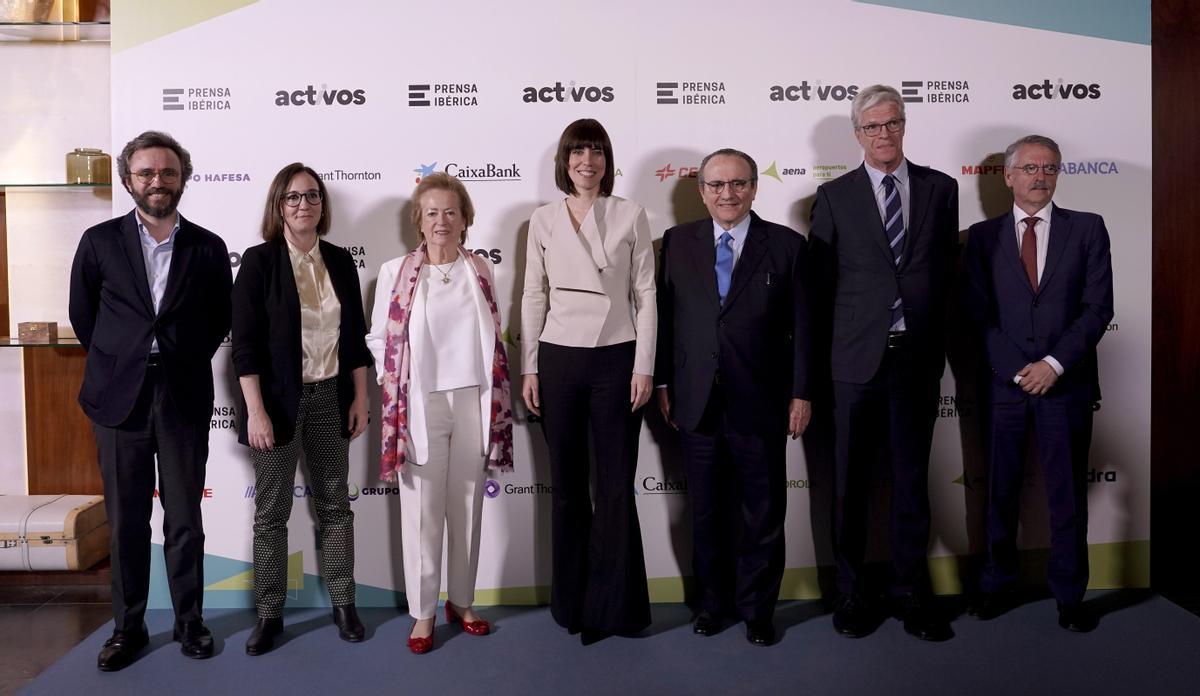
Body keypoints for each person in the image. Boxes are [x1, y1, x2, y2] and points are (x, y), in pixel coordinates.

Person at [68, 130, 232, 671]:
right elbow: (84, 317)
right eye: (146, 173)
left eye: (167, 172)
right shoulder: (98, 241)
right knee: (126, 520)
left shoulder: (207, 246)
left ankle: (190, 624)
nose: (157, 181)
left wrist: (175, 357)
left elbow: (217, 320)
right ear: (128, 179)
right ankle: (127, 628)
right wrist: (126, 360)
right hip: (119, 399)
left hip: (181, 393)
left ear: (182, 177)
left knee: (184, 519)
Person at [808, 84, 959, 641]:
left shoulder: (941, 189)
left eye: (892, 123)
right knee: (848, 484)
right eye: (872, 127)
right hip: (852, 363)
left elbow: (943, 273)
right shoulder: (834, 197)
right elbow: (820, 289)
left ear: (904, 126)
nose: (884, 134)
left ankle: (911, 593)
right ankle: (850, 592)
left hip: (915, 361)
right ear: (857, 134)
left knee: (911, 483)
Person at [655, 148, 811, 647]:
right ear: (701, 191)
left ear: (754, 188)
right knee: (705, 511)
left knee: (762, 512)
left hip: (762, 402)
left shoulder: (786, 245)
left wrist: (801, 393)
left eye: (739, 184)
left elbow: (804, 329)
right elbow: (663, 320)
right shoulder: (677, 243)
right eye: (717, 185)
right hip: (695, 401)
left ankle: (757, 609)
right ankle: (711, 604)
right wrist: (662, 383)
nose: (728, 194)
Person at [964, 135, 1113, 632]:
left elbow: (1097, 309)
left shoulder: (1088, 229)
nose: (1040, 177)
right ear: (1007, 176)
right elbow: (977, 314)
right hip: (1004, 388)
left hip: (1065, 385)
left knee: (1066, 495)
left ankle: (1070, 596)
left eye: (1049, 168)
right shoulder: (981, 239)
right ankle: (996, 584)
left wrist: (1053, 364)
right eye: (1029, 168)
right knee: (999, 493)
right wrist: (1017, 368)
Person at [520, 118, 656, 643]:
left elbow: (646, 294)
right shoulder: (542, 219)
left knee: (617, 487)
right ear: (565, 160)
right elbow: (533, 294)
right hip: (558, 359)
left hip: (617, 357)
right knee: (568, 489)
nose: (587, 162)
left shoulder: (631, 214)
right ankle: (573, 604)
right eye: (578, 152)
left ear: (608, 160)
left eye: (596, 151)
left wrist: (644, 365)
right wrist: (530, 365)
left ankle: (615, 608)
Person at [368, 173, 514, 654]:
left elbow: (494, 336)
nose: (441, 221)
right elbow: (378, 339)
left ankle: (463, 602)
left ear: (465, 218)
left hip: (474, 399)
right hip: (420, 405)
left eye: (450, 211)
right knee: (424, 514)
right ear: (419, 221)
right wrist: (394, 388)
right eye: (431, 213)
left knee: (467, 509)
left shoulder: (481, 271)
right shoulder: (396, 272)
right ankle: (424, 613)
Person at [231, 163, 372, 655]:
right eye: (292, 197)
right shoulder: (258, 261)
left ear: (322, 204)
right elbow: (244, 348)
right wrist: (256, 412)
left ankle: (344, 604)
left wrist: (361, 397)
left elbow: (354, 340)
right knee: (271, 512)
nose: (303, 204)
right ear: (279, 205)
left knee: (335, 507)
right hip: (276, 406)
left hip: (332, 399)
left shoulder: (339, 260)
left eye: (311, 196)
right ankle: (270, 615)